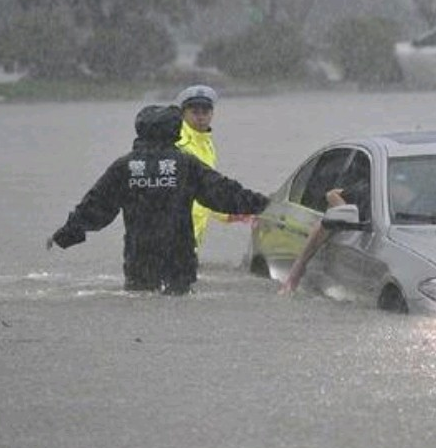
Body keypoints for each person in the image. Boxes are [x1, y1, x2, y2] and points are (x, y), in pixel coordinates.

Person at [47, 105, 270, 295]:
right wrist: (265, 205)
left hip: (139, 258)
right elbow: (224, 193)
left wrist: (67, 234)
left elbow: (96, 206)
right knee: (178, 303)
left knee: (142, 299)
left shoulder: (124, 167)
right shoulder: (185, 165)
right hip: (179, 257)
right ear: (175, 130)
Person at [174, 85, 252, 249]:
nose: (201, 117)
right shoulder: (179, 145)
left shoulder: (206, 143)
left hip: (193, 233)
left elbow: (208, 189)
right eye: (195, 112)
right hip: (176, 230)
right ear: (183, 113)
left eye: (205, 112)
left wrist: (230, 214)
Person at [278, 161, 370, 295]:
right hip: (310, 226)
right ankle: (296, 271)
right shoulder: (365, 189)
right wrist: (343, 208)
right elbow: (331, 195)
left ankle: (297, 270)